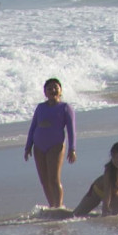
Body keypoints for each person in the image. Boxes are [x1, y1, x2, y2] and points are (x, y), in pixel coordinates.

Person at [24, 77, 77, 209]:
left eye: (55, 88)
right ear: (45, 92)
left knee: (54, 179)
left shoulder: (65, 107)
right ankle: (52, 206)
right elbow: (33, 127)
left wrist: (72, 148)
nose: (53, 90)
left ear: (60, 91)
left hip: (56, 145)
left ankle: (59, 206)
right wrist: (28, 147)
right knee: (44, 181)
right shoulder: (40, 107)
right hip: (38, 146)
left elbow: (71, 130)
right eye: (49, 88)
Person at [72, 141, 118, 215]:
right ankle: (59, 213)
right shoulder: (109, 170)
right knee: (76, 214)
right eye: (113, 157)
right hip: (97, 191)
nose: (116, 160)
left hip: (115, 191)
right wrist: (105, 209)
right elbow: (107, 194)